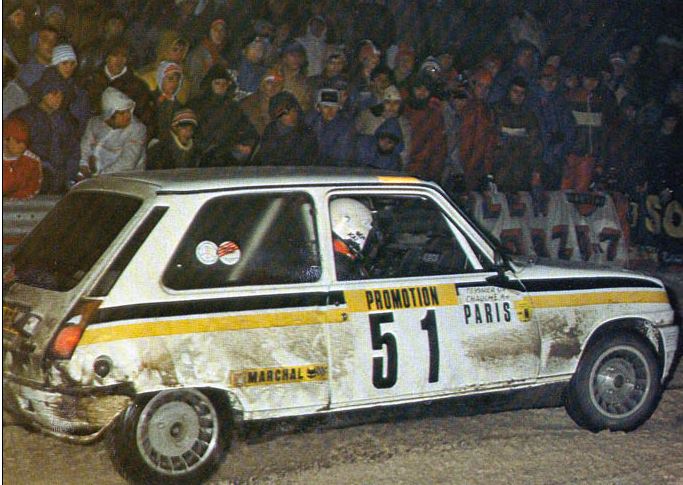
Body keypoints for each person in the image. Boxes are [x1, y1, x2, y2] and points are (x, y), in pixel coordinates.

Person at [10, 68, 80, 193]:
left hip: (60, 184)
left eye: (62, 94)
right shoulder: (24, 117)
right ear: (42, 93)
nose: (59, 98)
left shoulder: (65, 120)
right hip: (30, 182)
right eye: (54, 93)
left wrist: (69, 177)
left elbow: (73, 151)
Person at [81, 42, 156, 133]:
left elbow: (146, 118)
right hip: (91, 132)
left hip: (123, 135)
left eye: (124, 56)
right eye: (115, 55)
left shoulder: (137, 86)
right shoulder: (91, 79)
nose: (119, 60)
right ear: (107, 57)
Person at [187, 65, 253, 162]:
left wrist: (241, 145)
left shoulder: (233, 107)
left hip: (227, 152)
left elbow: (244, 128)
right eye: (217, 83)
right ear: (210, 84)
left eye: (224, 83)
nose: (221, 86)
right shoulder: (196, 105)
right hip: (200, 153)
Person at [78, 87, 146, 177]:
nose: (128, 116)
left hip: (124, 178)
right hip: (94, 176)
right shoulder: (94, 123)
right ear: (109, 115)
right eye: (122, 113)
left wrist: (100, 176)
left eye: (128, 110)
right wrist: (84, 165)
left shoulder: (137, 129)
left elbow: (127, 163)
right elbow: (85, 147)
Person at [491, 76, 542, 193]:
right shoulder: (495, 111)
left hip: (521, 171)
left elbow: (536, 145)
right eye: (515, 91)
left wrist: (536, 171)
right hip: (499, 168)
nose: (518, 96)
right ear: (508, 91)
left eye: (522, 93)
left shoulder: (529, 116)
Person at [255, 90, 319, 166]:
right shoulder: (271, 129)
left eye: (294, 111)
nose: (292, 116)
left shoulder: (306, 132)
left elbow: (307, 160)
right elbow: (264, 156)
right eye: (286, 113)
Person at [403, 75, 447, 181]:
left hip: (423, 170)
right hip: (399, 166)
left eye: (426, 90)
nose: (422, 93)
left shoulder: (434, 115)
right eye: (418, 89)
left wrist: (433, 174)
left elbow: (437, 147)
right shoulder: (401, 110)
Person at [305, 88, 356, 166]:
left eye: (334, 107)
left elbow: (342, 156)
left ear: (339, 108)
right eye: (326, 107)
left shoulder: (345, 127)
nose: (330, 111)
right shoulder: (312, 122)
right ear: (318, 108)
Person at [329, 197, 374, 280]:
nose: (369, 229)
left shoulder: (335, 256)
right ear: (346, 221)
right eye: (366, 223)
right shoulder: (340, 264)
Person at [51, 45, 91, 136]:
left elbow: (83, 124)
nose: (69, 68)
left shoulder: (81, 93)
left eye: (72, 64)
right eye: (64, 63)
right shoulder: (44, 89)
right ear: (55, 64)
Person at [187, 18, 229, 99]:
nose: (219, 33)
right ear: (209, 32)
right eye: (215, 30)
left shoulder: (221, 56)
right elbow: (192, 81)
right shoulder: (198, 53)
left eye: (222, 30)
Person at [3, 117, 42, 199]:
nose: (23, 146)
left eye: (25, 142)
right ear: (5, 140)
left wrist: (16, 198)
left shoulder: (33, 161)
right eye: (18, 141)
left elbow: (32, 189)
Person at [239, 70, 284, 135]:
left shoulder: (283, 104)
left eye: (278, 84)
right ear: (262, 84)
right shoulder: (247, 103)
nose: (273, 87)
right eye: (269, 83)